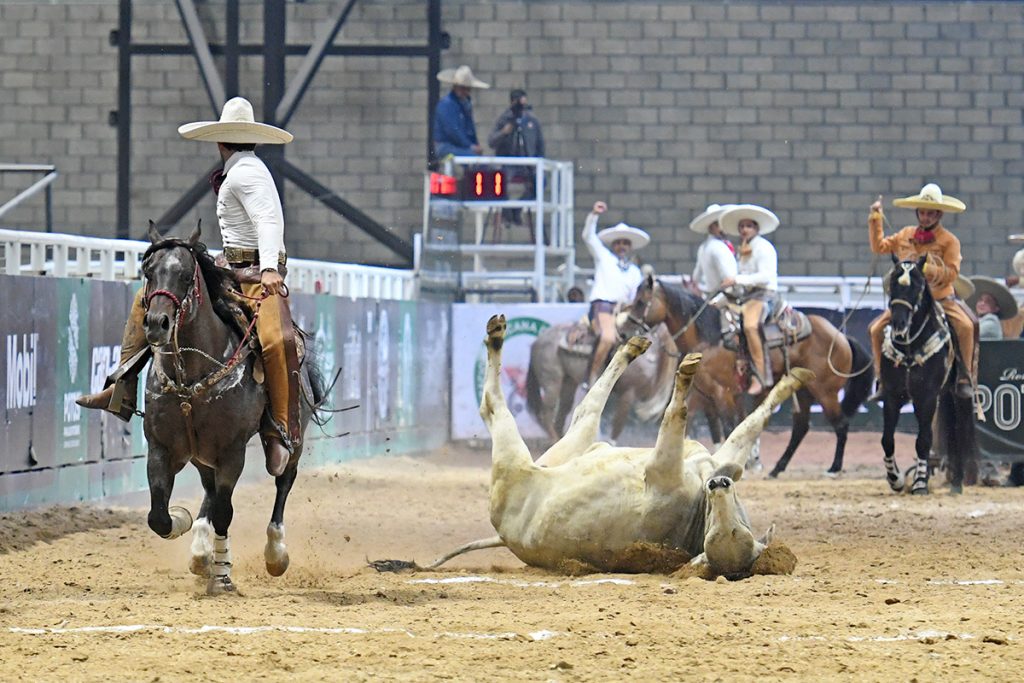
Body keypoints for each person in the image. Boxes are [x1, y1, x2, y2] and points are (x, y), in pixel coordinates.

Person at [77, 96, 299, 477]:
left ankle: (279, 428)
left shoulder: (245, 174)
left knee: (278, 339)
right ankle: (122, 383)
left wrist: (265, 270)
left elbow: (265, 221)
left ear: (220, 141)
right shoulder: (247, 169)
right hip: (234, 268)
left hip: (255, 274)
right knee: (154, 295)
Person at [867, 184, 977, 398]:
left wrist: (927, 269)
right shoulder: (905, 234)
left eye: (930, 213)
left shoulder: (949, 241)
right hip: (909, 301)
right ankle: (882, 379)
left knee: (966, 326)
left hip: (940, 299)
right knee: (875, 330)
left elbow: (952, 273)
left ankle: (964, 377)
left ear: (938, 214)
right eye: (922, 212)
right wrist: (876, 219)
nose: (925, 217)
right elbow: (879, 247)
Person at [582, 200, 649, 385]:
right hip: (602, 307)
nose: (622, 247)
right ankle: (592, 377)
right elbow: (588, 237)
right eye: (618, 243)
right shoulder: (604, 258)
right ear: (613, 246)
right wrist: (594, 215)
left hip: (625, 311)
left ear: (630, 247)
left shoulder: (635, 271)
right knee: (608, 337)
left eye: (625, 243)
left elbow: (635, 297)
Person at [719, 204, 781, 395]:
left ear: (756, 229)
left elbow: (766, 276)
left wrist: (737, 279)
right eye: (742, 226)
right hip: (746, 295)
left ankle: (761, 375)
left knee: (750, 327)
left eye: (749, 226)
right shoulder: (743, 250)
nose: (745, 229)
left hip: (764, 295)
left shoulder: (764, 248)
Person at [488, 88, 545, 226]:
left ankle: (516, 209)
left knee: (541, 182)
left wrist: (539, 164)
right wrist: (504, 132)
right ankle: (507, 212)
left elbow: (540, 145)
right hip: (509, 163)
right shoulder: (504, 119)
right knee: (499, 183)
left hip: (528, 164)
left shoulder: (532, 122)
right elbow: (491, 141)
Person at [433, 65, 489, 159]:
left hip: (460, 146)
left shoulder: (465, 105)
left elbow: (470, 129)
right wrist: (470, 146)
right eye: (462, 88)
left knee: (479, 160)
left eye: (468, 88)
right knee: (472, 158)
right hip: (444, 146)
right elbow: (453, 130)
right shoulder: (447, 104)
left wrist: (475, 145)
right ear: (455, 87)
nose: (466, 92)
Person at [689, 203, 737, 295]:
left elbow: (696, 276)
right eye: (719, 225)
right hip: (723, 295)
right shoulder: (719, 248)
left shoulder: (703, 247)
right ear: (711, 227)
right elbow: (729, 277)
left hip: (708, 294)